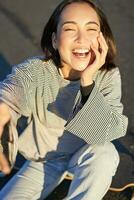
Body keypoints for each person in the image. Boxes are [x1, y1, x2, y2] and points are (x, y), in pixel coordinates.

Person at [0, 0, 128, 199]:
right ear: (54, 40)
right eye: (70, 29)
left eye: (91, 29)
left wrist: (87, 81)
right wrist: (4, 108)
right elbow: (13, 89)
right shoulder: (37, 71)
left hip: (85, 157)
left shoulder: (108, 76)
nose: (81, 38)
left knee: (105, 153)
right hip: (44, 161)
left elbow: (105, 133)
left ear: (102, 39)